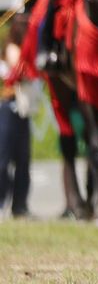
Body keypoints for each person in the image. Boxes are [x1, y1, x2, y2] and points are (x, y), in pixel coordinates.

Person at [0, 14, 36, 218]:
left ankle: (19, 204)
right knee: (3, 159)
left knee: (23, 159)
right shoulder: (13, 48)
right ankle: (1, 201)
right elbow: (20, 70)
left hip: (23, 108)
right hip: (8, 106)